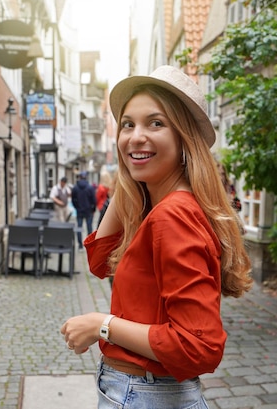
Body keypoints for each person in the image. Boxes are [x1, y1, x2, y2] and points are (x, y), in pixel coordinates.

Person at [60, 65, 253, 408]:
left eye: (156, 123)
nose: (135, 135)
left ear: (184, 139)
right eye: (127, 125)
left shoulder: (172, 215)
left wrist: (101, 325)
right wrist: (132, 170)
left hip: (144, 394)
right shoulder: (162, 206)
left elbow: (199, 346)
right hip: (143, 392)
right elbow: (102, 260)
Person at [71, 171, 96, 249]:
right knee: (89, 227)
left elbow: (73, 199)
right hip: (88, 211)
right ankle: (89, 245)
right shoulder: (90, 187)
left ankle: (80, 246)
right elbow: (94, 200)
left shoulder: (75, 188)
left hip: (79, 211)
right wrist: (93, 209)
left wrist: (77, 207)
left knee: (79, 227)